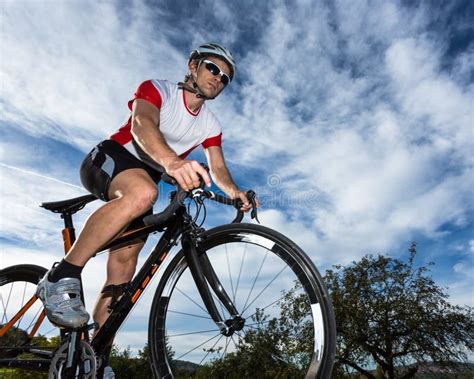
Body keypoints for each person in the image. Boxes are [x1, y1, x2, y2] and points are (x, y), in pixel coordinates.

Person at [36, 42, 258, 375]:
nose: (218, 79)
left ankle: (94, 359)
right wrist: (173, 162)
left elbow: (218, 169)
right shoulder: (159, 89)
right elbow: (142, 125)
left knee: (124, 266)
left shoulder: (210, 124)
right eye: (213, 68)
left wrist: (235, 191)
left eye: (225, 78)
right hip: (111, 157)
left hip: (145, 175)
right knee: (145, 193)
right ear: (193, 64)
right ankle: (61, 275)